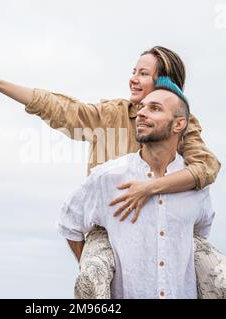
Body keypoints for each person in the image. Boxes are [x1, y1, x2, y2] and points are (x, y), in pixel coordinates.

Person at [0, 46, 226, 298]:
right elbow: (60, 109)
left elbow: (206, 167)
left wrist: (150, 188)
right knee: (93, 276)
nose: (133, 78)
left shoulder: (182, 123)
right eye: (133, 71)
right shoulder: (112, 114)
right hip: (109, 227)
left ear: (166, 82)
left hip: (161, 223)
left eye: (143, 73)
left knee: (219, 272)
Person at [59, 79, 213, 298]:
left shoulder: (196, 187)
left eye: (155, 108)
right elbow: (69, 223)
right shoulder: (109, 177)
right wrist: (95, 275)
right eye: (142, 107)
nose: (141, 113)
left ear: (179, 124)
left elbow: (200, 233)